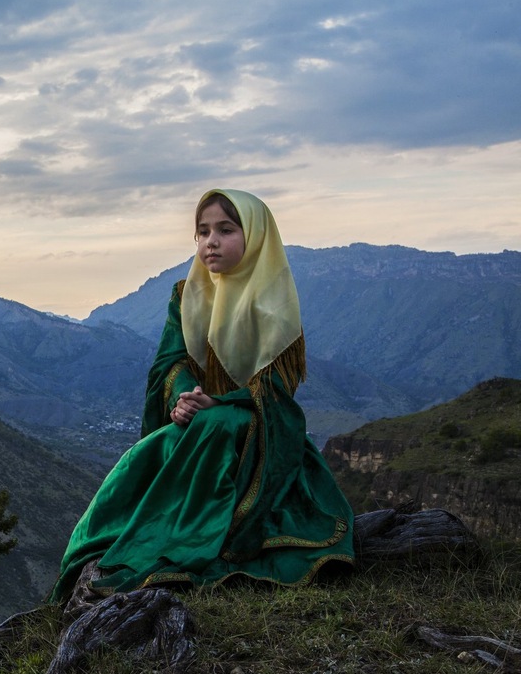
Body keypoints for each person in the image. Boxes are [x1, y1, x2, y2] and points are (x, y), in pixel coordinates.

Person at [50, 189, 355, 603]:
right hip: (200, 414)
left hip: (257, 425)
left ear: (255, 236)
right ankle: (126, 542)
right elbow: (170, 361)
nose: (211, 241)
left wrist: (221, 403)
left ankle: (197, 538)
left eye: (226, 230)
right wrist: (183, 399)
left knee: (215, 426)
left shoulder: (273, 301)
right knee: (154, 450)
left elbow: (277, 389)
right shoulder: (187, 295)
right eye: (203, 231)